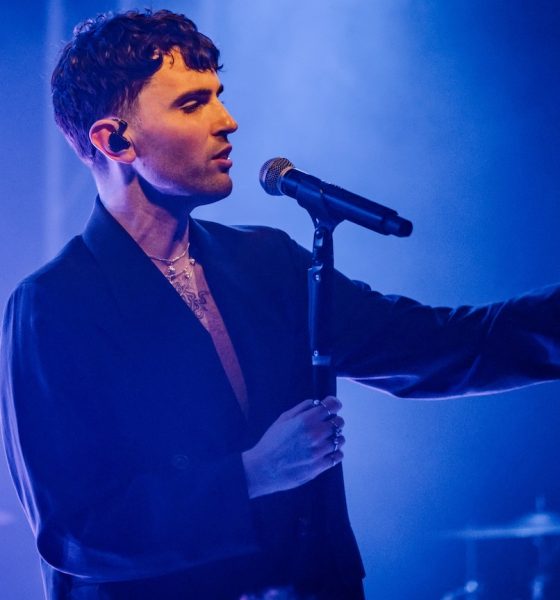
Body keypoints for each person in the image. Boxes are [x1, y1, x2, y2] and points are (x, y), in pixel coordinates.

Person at [0, 9, 559, 600]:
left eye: (219, 96)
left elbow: (439, 346)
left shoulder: (267, 264)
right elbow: (75, 529)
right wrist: (249, 476)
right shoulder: (53, 305)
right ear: (114, 139)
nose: (228, 121)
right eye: (192, 105)